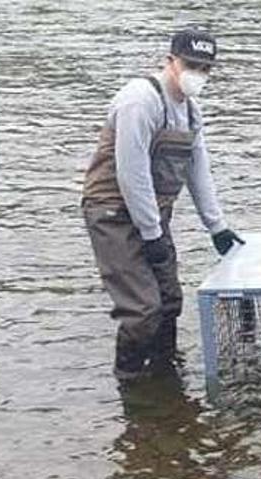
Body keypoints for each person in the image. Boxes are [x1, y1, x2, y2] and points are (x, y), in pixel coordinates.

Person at [82, 28, 244, 383]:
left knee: (170, 301)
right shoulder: (140, 100)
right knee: (143, 310)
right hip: (113, 211)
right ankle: (131, 385)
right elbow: (131, 173)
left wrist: (217, 226)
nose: (198, 74)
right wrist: (152, 234)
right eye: (192, 65)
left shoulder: (190, 111)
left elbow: (198, 170)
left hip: (153, 213)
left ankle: (164, 376)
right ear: (170, 61)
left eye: (206, 68)